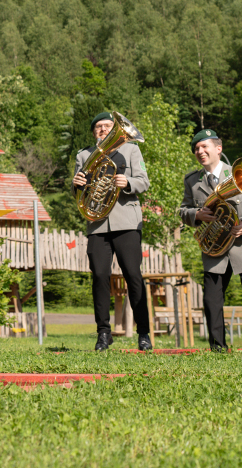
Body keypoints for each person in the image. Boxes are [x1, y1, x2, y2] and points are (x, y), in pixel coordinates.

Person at [179, 129, 242, 352]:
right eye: (196, 149)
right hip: (215, 248)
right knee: (211, 300)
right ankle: (218, 347)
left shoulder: (240, 174)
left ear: (218, 149)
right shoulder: (192, 181)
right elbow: (182, 210)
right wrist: (196, 215)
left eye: (204, 146)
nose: (200, 151)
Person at [72, 112, 152, 351]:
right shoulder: (84, 155)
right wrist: (76, 185)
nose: (103, 130)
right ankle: (103, 333)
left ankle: (144, 333)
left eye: (107, 126)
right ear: (93, 132)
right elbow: (79, 194)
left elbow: (144, 182)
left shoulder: (131, 150)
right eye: (98, 127)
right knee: (99, 277)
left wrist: (127, 182)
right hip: (97, 224)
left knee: (133, 276)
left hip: (126, 222)